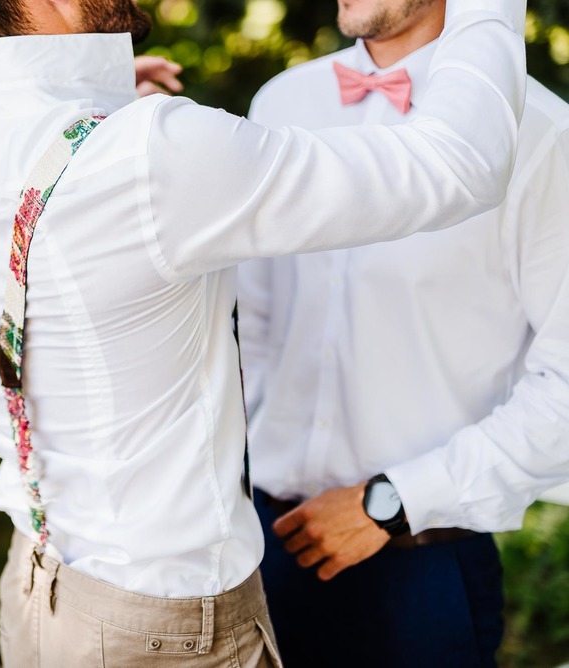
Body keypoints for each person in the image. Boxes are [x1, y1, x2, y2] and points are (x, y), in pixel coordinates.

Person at [0, 0, 526, 664]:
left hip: (38, 597)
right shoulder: (152, 156)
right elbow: (460, 162)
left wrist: (102, 98)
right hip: (170, 626)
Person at [237, 0, 569, 665]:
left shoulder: (540, 133)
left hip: (423, 568)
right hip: (262, 545)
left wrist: (391, 502)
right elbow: (254, 325)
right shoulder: (282, 103)